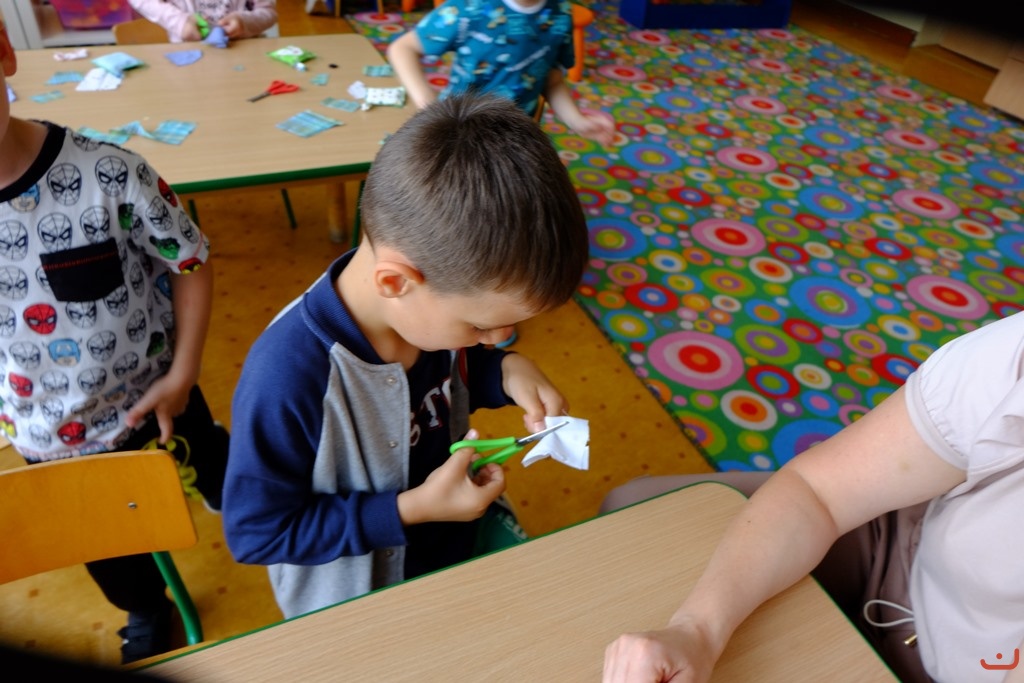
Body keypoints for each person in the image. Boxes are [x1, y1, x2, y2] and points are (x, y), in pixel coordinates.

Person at [221, 94, 589, 621]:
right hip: (363, 603)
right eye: (481, 327)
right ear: (395, 283)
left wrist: (504, 371)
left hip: (454, 551)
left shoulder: (425, 316)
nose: (498, 338)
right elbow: (259, 533)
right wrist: (412, 509)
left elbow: (450, 380)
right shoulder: (286, 378)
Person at [601, 311, 1024, 683]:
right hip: (900, 550)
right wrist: (696, 630)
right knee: (631, 511)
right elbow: (819, 492)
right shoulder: (1012, 356)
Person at [1, 20, 228, 664]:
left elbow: (189, 263)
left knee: (216, 464)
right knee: (110, 550)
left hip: (159, 394)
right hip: (47, 437)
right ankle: (147, 606)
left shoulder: (109, 174)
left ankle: (240, 497)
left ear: (4, 52)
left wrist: (183, 374)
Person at [386, 0, 616, 147]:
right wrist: (427, 104)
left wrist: (576, 120)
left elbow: (551, 79)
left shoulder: (561, 14)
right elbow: (402, 49)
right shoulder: (468, 8)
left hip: (516, 138)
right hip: (457, 133)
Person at [128, 0, 278, 43]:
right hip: (189, 60)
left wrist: (244, 21)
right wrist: (179, 22)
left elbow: (268, 13)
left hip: (245, 55)